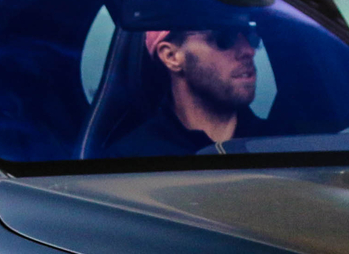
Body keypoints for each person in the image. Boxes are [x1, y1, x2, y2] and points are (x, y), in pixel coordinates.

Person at [111, 22, 271, 155]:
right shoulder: (130, 159)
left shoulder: (278, 142)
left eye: (251, 37)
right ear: (171, 57)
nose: (249, 51)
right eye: (224, 38)